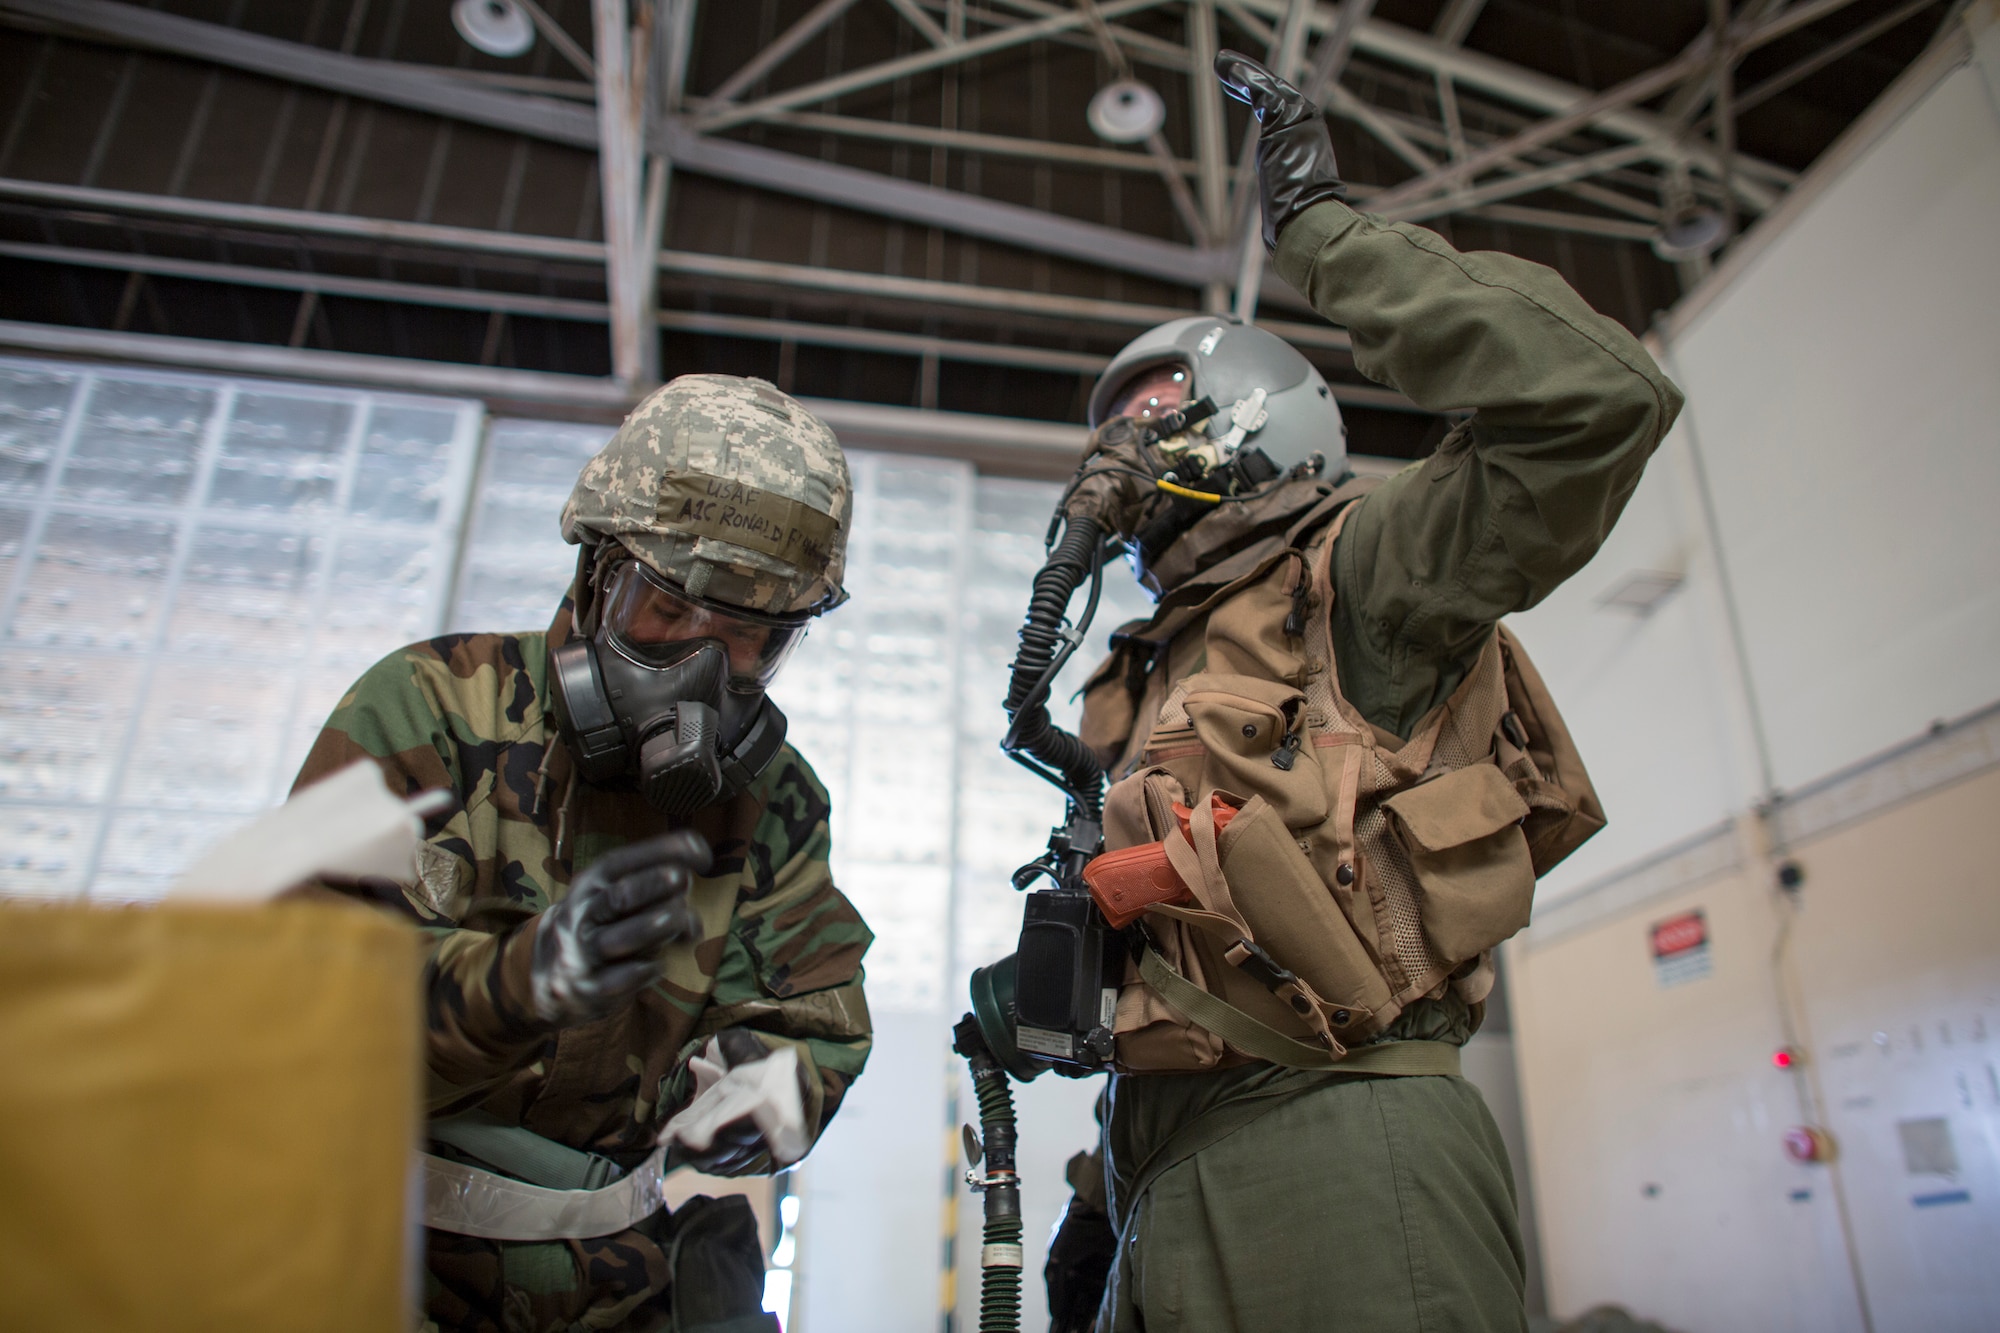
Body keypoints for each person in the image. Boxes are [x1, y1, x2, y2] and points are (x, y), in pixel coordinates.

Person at [1040, 53, 1684, 1333]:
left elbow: (1596, 404)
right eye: (1106, 423)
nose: (1117, 444)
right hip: (1154, 1176)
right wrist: (1100, 1190)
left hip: (1333, 1147)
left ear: (1256, 415)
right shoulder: (1142, 672)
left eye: (1154, 408)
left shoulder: (1363, 575)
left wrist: (1327, 237)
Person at [294, 374, 874, 1333]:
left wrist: (761, 1093)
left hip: (613, 1289)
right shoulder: (425, 708)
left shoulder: (775, 800)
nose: (700, 668)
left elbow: (812, 1025)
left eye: (749, 637)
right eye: (669, 608)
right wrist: (517, 985)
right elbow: (292, 1004)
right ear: (598, 574)